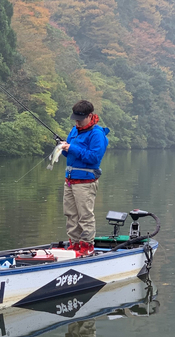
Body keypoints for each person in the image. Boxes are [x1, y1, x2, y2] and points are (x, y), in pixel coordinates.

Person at [60, 100, 110, 256]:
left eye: (80, 119)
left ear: (90, 116)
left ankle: (87, 246)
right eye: (75, 119)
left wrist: (72, 147)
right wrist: (63, 147)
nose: (77, 122)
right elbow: (68, 154)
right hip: (70, 180)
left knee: (85, 215)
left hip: (86, 182)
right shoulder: (74, 131)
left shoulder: (97, 134)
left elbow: (94, 157)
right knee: (70, 214)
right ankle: (74, 245)